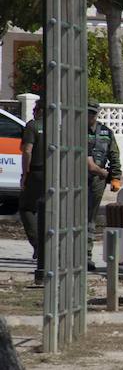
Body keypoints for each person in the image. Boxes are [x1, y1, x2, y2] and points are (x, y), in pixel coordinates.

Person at [86, 103, 120, 271]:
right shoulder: (78, 131)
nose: (90, 117)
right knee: (78, 217)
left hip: (97, 182)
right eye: (88, 113)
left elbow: (114, 155)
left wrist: (116, 178)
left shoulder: (106, 132)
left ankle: (87, 256)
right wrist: (108, 175)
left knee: (90, 219)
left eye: (93, 113)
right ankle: (76, 255)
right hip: (79, 180)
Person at [18, 102, 46, 286]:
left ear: (39, 111)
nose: (34, 113)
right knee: (48, 210)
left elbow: (27, 151)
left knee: (26, 207)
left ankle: (38, 244)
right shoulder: (58, 125)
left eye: (35, 110)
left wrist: (25, 174)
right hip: (55, 175)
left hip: (36, 172)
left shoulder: (33, 125)